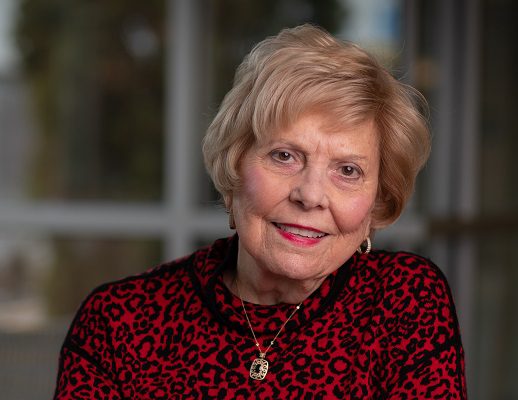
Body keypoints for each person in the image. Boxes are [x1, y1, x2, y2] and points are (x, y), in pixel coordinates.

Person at [54, 24, 466, 399]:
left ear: (376, 203)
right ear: (234, 168)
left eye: (348, 170)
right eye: (285, 156)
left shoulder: (405, 302)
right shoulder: (118, 323)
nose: (310, 195)